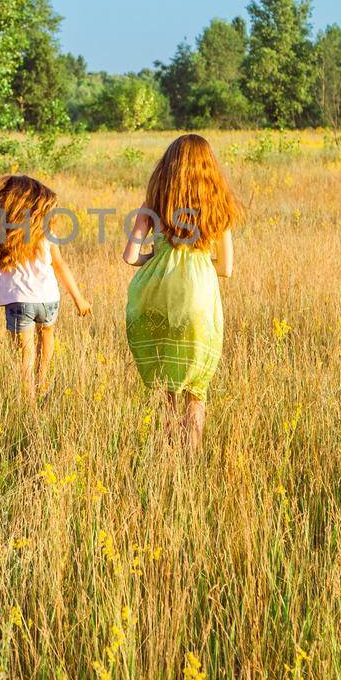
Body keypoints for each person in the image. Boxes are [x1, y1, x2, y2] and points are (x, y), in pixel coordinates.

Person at [121, 133, 243, 450]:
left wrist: (158, 257)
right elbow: (226, 268)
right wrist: (197, 259)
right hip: (197, 299)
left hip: (152, 298)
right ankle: (189, 461)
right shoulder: (218, 207)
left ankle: (168, 456)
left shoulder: (152, 205)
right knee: (195, 389)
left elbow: (130, 256)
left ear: (167, 167)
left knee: (167, 389)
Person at [0, 175, 92, 395]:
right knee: (47, 336)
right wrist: (79, 298)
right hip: (49, 299)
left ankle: (28, 396)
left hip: (19, 301)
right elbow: (60, 265)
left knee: (24, 353)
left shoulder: (2, 232)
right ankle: (42, 381)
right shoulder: (45, 233)